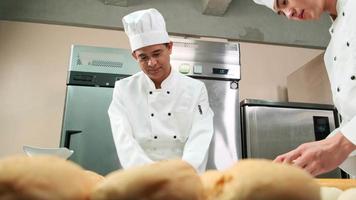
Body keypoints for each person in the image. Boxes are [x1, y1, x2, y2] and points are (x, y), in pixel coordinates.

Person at [253, 0, 356, 177]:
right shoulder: (331, 55)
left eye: (284, 2)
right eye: (280, 12)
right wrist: (310, 155)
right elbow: (350, 121)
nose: (288, 14)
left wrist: (341, 144)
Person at [108, 8, 214, 173]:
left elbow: (200, 135)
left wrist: (183, 173)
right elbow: (124, 140)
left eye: (157, 54)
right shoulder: (124, 90)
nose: (152, 63)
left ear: (170, 47)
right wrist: (150, 175)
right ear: (135, 57)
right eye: (143, 57)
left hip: (183, 177)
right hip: (141, 176)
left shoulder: (195, 89)